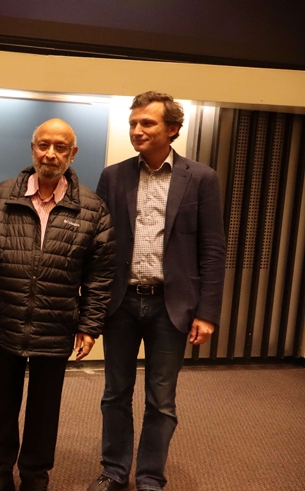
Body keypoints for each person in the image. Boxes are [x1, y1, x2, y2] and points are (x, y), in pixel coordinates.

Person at [0, 118, 115, 491]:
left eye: (60, 147)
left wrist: (89, 325)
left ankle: (34, 475)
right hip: (5, 316)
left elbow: (100, 275)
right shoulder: (0, 197)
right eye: (43, 145)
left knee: (45, 409)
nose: (50, 154)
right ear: (32, 149)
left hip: (57, 322)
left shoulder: (93, 209)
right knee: (5, 402)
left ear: (72, 154)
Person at [87, 91, 226, 491]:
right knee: (115, 393)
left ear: (173, 129)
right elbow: (99, 243)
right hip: (121, 302)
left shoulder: (201, 178)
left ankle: (150, 477)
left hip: (173, 306)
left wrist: (207, 312)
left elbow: (213, 251)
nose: (137, 130)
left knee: (161, 400)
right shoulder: (113, 176)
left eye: (147, 123)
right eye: (133, 123)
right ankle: (114, 472)